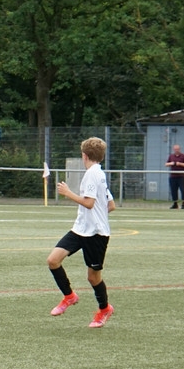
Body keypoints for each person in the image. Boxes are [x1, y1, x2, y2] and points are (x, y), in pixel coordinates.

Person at [47, 137, 116, 328]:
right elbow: (110, 205)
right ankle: (69, 296)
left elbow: (89, 203)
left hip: (96, 235)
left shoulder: (93, 175)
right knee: (53, 260)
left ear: (84, 155)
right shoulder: (98, 174)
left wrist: (67, 192)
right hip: (80, 230)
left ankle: (104, 309)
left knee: (93, 277)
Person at [165, 144, 184, 209]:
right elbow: (166, 164)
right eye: (175, 149)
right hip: (173, 176)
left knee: (183, 190)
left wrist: (180, 164)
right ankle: (175, 203)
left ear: (180, 149)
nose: (177, 150)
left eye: (178, 149)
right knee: (173, 190)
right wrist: (171, 163)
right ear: (174, 149)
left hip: (181, 176)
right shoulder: (171, 156)